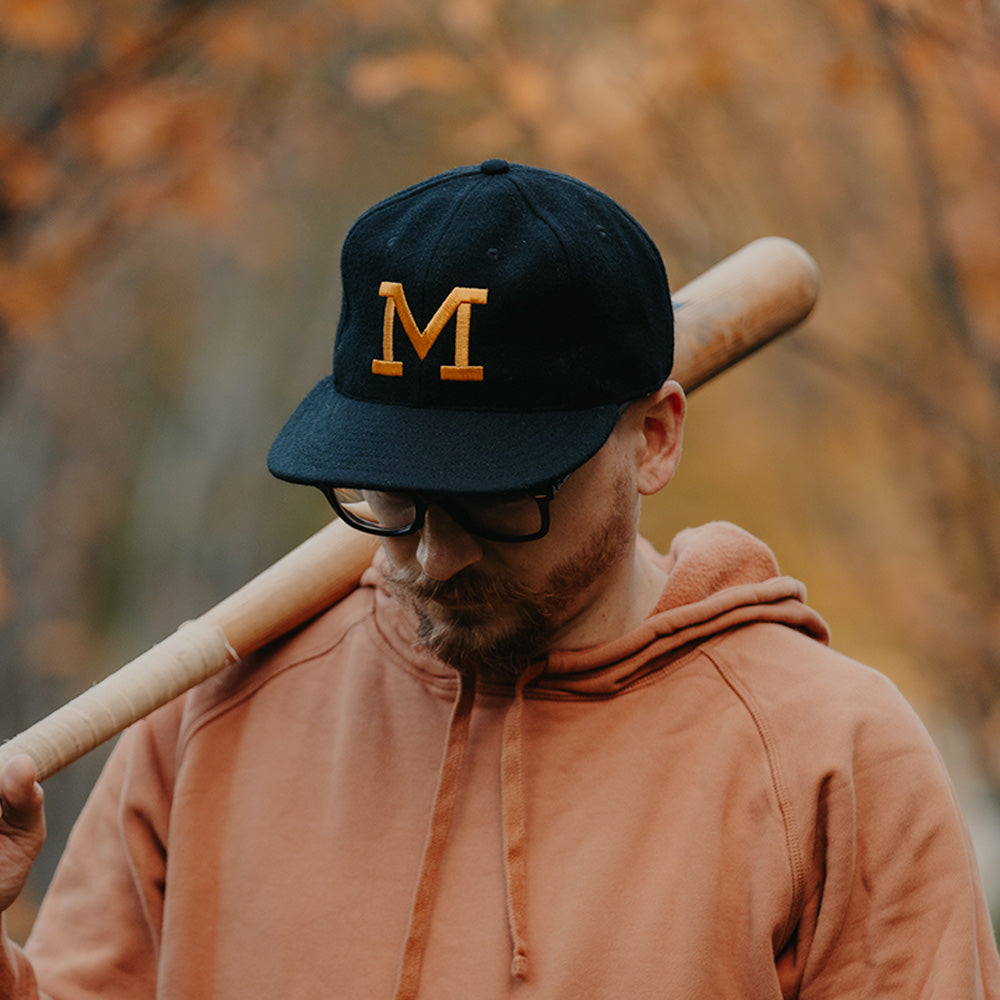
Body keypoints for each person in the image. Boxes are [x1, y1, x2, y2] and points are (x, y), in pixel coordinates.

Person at [1, 159, 998, 999]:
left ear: (651, 440)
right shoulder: (209, 713)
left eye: (499, 497)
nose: (434, 558)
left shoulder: (831, 755)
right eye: (394, 496)